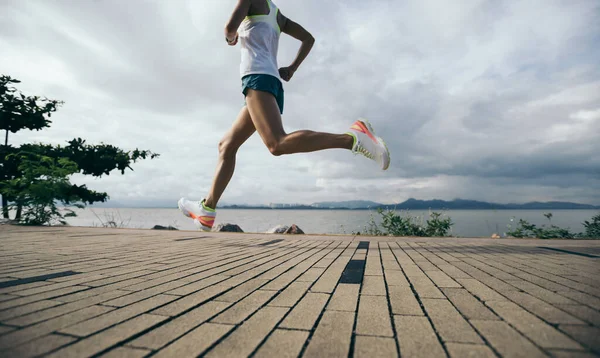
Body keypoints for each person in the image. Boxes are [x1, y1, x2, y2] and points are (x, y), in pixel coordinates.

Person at [178, 0, 390, 231]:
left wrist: (231, 39)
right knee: (226, 145)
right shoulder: (276, 14)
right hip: (268, 81)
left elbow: (229, 28)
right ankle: (207, 210)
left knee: (276, 144)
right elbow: (308, 38)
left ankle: (352, 138)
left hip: (257, 79)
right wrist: (291, 68)